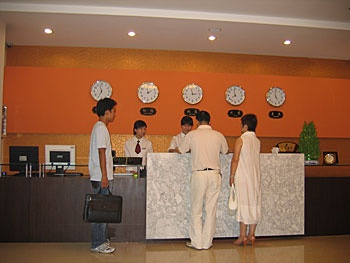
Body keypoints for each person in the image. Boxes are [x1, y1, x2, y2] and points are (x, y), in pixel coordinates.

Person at [176, 110, 229, 250]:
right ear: (209, 121)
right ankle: (207, 242)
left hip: (199, 174)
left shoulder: (192, 135)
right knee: (211, 210)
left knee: (196, 209)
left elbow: (181, 150)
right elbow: (225, 151)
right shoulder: (218, 135)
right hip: (214, 174)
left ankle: (197, 242)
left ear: (198, 122)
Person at [88, 97, 117, 254]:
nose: (115, 114)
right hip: (100, 177)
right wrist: (104, 176)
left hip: (100, 176)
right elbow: (101, 152)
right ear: (107, 112)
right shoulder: (101, 128)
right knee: (100, 212)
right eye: (113, 111)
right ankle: (98, 243)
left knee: (102, 211)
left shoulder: (100, 128)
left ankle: (101, 241)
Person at [229, 114, 261, 246]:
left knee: (243, 204)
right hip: (255, 176)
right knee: (254, 203)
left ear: (245, 126)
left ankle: (242, 236)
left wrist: (231, 176)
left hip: (243, 176)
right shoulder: (257, 141)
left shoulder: (241, 139)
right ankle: (251, 235)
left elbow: (235, 159)